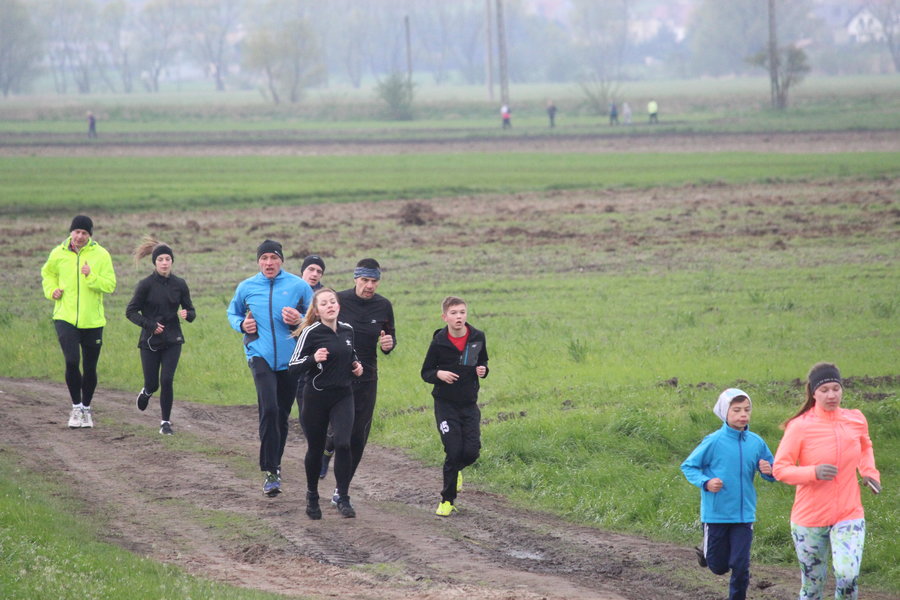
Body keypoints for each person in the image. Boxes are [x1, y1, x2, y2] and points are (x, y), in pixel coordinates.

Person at [773, 363, 881, 600]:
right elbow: (780, 469)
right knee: (812, 587)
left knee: (848, 576)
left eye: (836, 388)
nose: (831, 395)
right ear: (813, 393)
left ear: (842, 390)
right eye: (824, 390)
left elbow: (865, 446)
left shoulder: (856, 419)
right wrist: (812, 472)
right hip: (809, 518)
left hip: (849, 513)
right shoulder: (799, 426)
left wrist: (869, 472)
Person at [227, 240, 313, 497]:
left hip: (291, 360)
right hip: (259, 355)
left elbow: (314, 314)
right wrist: (242, 325)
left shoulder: (298, 285)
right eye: (263, 258)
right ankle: (270, 470)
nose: (269, 263)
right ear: (258, 262)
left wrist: (299, 319)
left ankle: (275, 463)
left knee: (282, 415)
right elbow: (233, 313)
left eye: (273, 258)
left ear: (281, 261)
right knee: (270, 408)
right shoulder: (247, 287)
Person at [680, 388, 776, 600]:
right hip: (717, 514)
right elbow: (689, 466)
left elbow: (772, 469)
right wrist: (706, 482)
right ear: (725, 413)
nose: (743, 415)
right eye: (737, 410)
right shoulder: (713, 441)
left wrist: (770, 471)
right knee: (718, 567)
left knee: (741, 566)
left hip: (744, 515)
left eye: (747, 410)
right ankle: (707, 551)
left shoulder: (756, 442)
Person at [320, 259, 396, 494]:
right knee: (337, 432)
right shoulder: (339, 300)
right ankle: (326, 449)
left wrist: (388, 345)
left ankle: (342, 489)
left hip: (368, 377)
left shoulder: (384, 306)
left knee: (358, 437)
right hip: (339, 375)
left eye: (374, 281)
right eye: (365, 280)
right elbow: (320, 329)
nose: (369, 286)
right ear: (355, 279)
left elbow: (389, 337)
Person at [289, 288, 363, 519]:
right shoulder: (311, 332)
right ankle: (312, 495)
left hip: (343, 395)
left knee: (342, 444)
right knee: (315, 447)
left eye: (333, 301)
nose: (330, 305)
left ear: (338, 306)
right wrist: (313, 359)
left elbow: (351, 355)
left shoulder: (348, 330)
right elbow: (293, 366)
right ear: (318, 310)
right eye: (324, 303)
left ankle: (343, 496)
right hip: (316, 397)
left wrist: (357, 366)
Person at [41, 215, 117, 429]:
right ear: (71, 232)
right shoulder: (58, 253)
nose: (80, 236)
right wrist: (51, 290)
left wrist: (91, 276)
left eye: (84, 233)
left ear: (90, 235)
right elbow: (47, 274)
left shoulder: (101, 255)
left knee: (90, 367)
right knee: (72, 361)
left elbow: (110, 285)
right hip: (65, 317)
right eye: (76, 232)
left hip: (92, 320)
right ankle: (75, 407)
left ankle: (86, 408)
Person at [421, 296, 489, 517]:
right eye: (454, 313)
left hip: (469, 404)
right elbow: (426, 372)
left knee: (471, 452)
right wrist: (439, 374)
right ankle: (447, 500)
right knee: (453, 450)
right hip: (445, 404)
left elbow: (483, 361)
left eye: (462, 312)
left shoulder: (478, 337)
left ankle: (458, 469)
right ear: (445, 317)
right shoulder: (439, 342)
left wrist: (483, 370)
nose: (459, 317)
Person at [126, 238, 196, 435]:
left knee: (167, 380)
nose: (164, 263)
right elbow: (130, 312)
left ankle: (165, 423)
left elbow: (190, 310)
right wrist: (149, 325)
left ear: (172, 261)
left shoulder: (180, 284)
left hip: (173, 339)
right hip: (150, 341)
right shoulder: (145, 285)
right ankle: (147, 392)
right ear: (155, 263)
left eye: (167, 259)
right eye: (160, 260)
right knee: (153, 383)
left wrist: (187, 314)